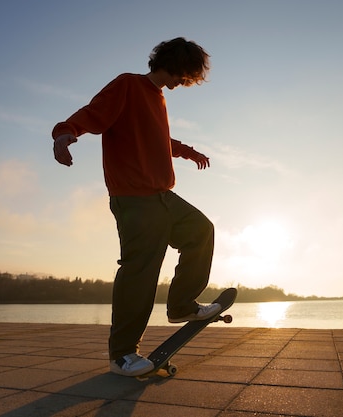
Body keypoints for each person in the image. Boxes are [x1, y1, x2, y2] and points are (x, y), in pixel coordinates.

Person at [51, 37, 221, 377]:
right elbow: (92, 113)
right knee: (140, 271)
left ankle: (181, 304)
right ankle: (123, 354)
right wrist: (65, 133)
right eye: (183, 75)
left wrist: (188, 152)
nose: (181, 83)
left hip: (162, 196)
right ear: (172, 63)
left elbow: (157, 139)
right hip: (133, 198)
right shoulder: (128, 85)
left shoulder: (158, 100)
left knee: (201, 231)